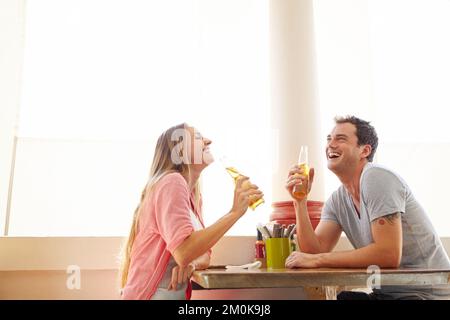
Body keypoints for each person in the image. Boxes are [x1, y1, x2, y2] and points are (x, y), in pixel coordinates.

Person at [285, 115, 450, 300]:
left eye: (341, 139)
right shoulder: (337, 200)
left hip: (427, 295)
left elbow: (388, 255)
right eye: (329, 139)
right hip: (387, 295)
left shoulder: (376, 177)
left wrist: (318, 259)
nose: (330, 145)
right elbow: (313, 253)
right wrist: (299, 202)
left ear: (364, 150)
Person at [120, 123, 263, 299]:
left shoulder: (194, 197)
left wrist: (191, 263)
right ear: (179, 151)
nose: (208, 141)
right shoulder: (171, 182)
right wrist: (234, 213)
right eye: (197, 138)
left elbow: (203, 254)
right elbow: (184, 251)